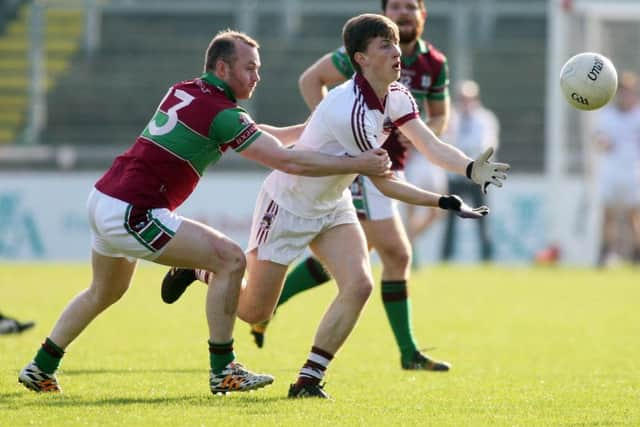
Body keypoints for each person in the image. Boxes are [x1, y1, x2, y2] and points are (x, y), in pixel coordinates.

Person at [17, 29, 392, 394]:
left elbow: (258, 133)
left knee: (103, 291)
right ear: (222, 69)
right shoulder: (223, 113)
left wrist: (313, 130)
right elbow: (286, 162)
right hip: (136, 212)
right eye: (249, 68)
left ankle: (40, 367)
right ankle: (224, 370)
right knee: (230, 260)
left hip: (104, 199)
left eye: (258, 68)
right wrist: (358, 162)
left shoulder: (187, 90)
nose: (257, 76)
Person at [162, 14, 509, 399]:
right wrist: (444, 201)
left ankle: (309, 379)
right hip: (288, 204)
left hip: (333, 203)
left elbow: (430, 145)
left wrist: (472, 167)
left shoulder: (395, 95)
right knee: (254, 312)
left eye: (396, 44)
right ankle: (198, 270)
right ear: (360, 58)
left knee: (359, 285)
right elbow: (385, 183)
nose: (398, 53)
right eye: (386, 46)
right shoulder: (351, 111)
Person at [247, 0, 453, 371]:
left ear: (423, 14)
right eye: (396, 7)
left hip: (382, 167)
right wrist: (327, 129)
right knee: (396, 254)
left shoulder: (432, 63)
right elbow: (311, 79)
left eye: (411, 6)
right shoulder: (357, 56)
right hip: (359, 170)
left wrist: (422, 136)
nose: (404, 13)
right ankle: (407, 352)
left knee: (363, 265)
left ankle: (309, 362)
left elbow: (439, 120)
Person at [441, 80, 499, 262]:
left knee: (481, 217)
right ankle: (446, 257)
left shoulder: (485, 119)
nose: (466, 102)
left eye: (469, 98)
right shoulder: (452, 119)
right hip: (456, 175)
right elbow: (446, 143)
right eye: (462, 99)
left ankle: (487, 256)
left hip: (476, 176)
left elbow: (487, 145)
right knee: (450, 220)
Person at [594, 71, 640, 266]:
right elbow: (597, 138)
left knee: (634, 216)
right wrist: (602, 142)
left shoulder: (638, 115)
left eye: (628, 91)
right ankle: (605, 253)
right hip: (610, 171)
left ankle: (637, 254)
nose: (625, 95)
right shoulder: (607, 115)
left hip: (633, 172)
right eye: (622, 91)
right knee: (608, 215)